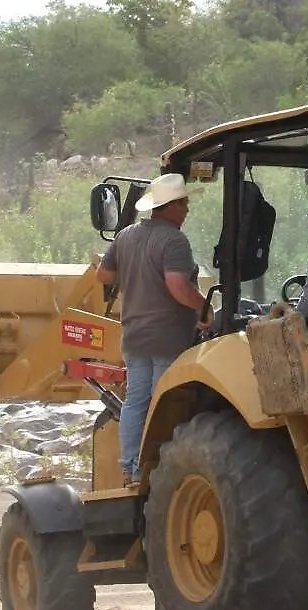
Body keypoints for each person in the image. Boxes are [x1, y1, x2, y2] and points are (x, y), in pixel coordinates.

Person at [95, 173, 209, 487]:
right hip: (168, 337)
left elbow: (104, 275)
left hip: (134, 336)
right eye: (184, 203)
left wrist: (133, 274)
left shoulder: (126, 235)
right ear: (170, 206)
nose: (187, 209)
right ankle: (159, 468)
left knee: (136, 401)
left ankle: (132, 467)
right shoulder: (174, 240)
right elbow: (178, 286)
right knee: (164, 404)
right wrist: (204, 308)